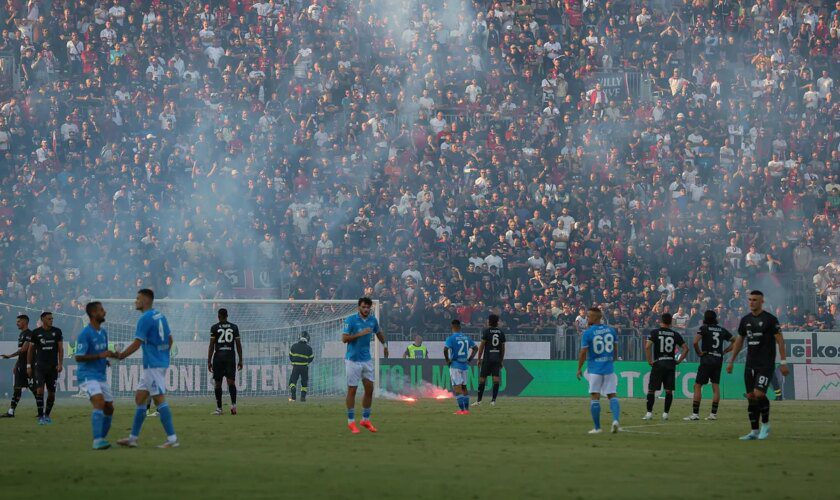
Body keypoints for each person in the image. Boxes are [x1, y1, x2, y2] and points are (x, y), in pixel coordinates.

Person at [115, 289, 179, 448]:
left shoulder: (144, 319)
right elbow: (170, 340)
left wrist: (121, 355)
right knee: (140, 399)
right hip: (158, 363)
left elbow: (137, 343)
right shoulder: (160, 316)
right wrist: (163, 355)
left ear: (145, 300)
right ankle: (133, 438)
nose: (135, 301)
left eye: (137, 299)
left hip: (153, 365)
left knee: (159, 399)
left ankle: (172, 440)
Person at [726, 290, 789, 440]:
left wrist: (783, 362)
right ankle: (754, 431)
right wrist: (731, 361)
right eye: (750, 300)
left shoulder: (770, 319)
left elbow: (780, 340)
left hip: (766, 364)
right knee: (750, 396)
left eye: (755, 300)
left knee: (759, 394)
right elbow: (740, 341)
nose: (752, 302)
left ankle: (765, 425)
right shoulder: (745, 320)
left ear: (762, 301)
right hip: (750, 364)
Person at [75, 302, 118, 450]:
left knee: (109, 408)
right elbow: (78, 357)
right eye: (101, 310)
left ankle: (101, 438)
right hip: (86, 375)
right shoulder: (85, 334)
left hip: (100, 376)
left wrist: (107, 359)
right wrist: (100, 355)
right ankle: (97, 440)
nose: (104, 312)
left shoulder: (103, 332)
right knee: (99, 402)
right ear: (93, 314)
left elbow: (103, 353)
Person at [342, 297, 388, 434]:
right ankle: (351, 422)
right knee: (352, 390)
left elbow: (379, 332)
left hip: (366, 359)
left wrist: (384, 345)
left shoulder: (373, 320)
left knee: (369, 389)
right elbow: (344, 339)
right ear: (359, 308)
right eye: (364, 307)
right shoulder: (350, 320)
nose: (366, 309)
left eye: (368, 307)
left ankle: (365, 419)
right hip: (352, 360)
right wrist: (359, 334)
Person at [576, 307, 621, 434]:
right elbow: (615, 349)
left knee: (595, 397)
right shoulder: (611, 330)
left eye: (589, 316)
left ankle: (597, 428)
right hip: (608, 367)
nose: (587, 319)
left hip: (595, 369)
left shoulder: (588, 333)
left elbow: (583, 352)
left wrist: (579, 368)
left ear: (596, 317)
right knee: (612, 395)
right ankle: (616, 420)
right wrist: (614, 359)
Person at [684, 310, 733, 421]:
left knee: (697, 385)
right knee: (715, 386)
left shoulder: (704, 328)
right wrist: (725, 351)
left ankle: (695, 414)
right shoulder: (721, 330)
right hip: (718, 359)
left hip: (707, 359)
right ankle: (713, 415)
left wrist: (699, 353)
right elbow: (735, 341)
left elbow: (695, 342)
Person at [643, 313, 688, 421]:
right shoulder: (675, 334)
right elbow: (686, 348)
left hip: (658, 363)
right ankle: (665, 414)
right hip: (670, 364)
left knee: (651, 390)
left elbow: (648, 346)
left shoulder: (655, 332)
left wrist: (649, 361)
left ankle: (649, 413)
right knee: (668, 390)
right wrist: (679, 361)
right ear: (671, 322)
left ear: (661, 321)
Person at [27, 312, 64, 425]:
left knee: (52, 394)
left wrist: (60, 363)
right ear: (43, 319)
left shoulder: (57, 331)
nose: (51, 320)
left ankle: (47, 415)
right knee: (40, 390)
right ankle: (41, 416)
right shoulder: (36, 332)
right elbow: (30, 350)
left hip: (53, 367)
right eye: (49, 319)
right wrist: (29, 366)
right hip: (40, 366)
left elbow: (60, 349)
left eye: (52, 319)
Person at [208, 308, 243, 415]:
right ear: (227, 316)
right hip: (230, 358)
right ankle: (233, 406)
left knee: (218, 384)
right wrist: (241, 359)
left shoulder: (214, 327)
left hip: (218, 358)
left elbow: (211, 346)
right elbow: (238, 344)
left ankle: (219, 409)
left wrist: (209, 361)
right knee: (231, 382)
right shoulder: (234, 327)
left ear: (219, 316)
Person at [0, 314, 35, 418]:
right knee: (17, 388)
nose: (17, 323)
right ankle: (11, 411)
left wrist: (10, 356)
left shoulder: (30, 334)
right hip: (21, 365)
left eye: (19, 321)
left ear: (24, 322)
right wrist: (16, 364)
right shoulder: (21, 335)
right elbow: (22, 353)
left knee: (35, 389)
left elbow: (24, 350)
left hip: (28, 366)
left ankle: (42, 411)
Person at [444, 320, 477, 415]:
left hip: (455, 365)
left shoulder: (451, 338)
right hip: (464, 365)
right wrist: (470, 358)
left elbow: (445, 349)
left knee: (457, 387)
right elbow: (475, 348)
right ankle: (466, 410)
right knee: (464, 387)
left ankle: (462, 410)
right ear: (460, 327)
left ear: (452, 327)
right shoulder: (466, 338)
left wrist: (447, 360)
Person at [474, 313, 506, 407]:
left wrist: (479, 358)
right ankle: (493, 401)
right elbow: (503, 348)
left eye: (488, 320)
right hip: (496, 359)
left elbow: (481, 347)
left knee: (482, 379)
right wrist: (501, 360)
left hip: (487, 358)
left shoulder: (486, 331)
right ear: (496, 322)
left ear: (490, 321)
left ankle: (479, 401)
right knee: (496, 379)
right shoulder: (501, 332)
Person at [288, 331, 314, 402]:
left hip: (295, 367)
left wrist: (294, 362)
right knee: (304, 382)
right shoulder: (309, 348)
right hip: (304, 367)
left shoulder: (294, 346)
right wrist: (306, 362)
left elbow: (290, 356)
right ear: (307, 338)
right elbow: (311, 358)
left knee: (292, 381)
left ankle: (293, 397)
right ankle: (303, 397)